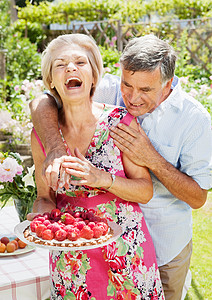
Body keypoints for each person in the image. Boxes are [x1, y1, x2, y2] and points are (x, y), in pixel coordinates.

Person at [30, 34, 212, 300]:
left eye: (146, 90)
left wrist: (152, 159)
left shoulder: (193, 120)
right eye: (127, 85)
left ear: (167, 84)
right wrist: (55, 147)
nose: (132, 98)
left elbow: (198, 198)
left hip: (158, 244)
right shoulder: (106, 91)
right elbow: (42, 101)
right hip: (77, 255)